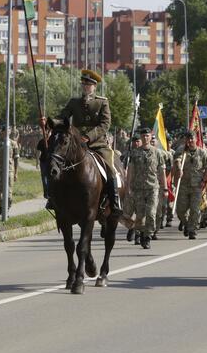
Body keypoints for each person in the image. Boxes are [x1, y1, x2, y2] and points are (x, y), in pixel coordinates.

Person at [44, 69, 122, 218]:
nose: (85, 87)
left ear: (94, 86)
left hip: (97, 144)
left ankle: (114, 201)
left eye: (89, 84)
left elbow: (105, 124)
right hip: (76, 146)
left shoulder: (102, 102)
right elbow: (62, 117)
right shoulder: (74, 102)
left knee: (110, 169)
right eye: (84, 84)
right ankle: (54, 199)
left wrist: (88, 136)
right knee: (57, 164)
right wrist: (49, 122)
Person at [127, 127, 167, 249]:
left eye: (147, 136)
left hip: (153, 188)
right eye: (143, 136)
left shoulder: (157, 152)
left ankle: (148, 236)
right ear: (141, 137)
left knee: (151, 213)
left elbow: (162, 171)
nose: (145, 138)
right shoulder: (134, 153)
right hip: (138, 188)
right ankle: (140, 232)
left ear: (151, 137)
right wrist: (128, 186)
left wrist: (165, 188)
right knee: (140, 215)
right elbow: (131, 170)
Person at [173, 131, 207, 239]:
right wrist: (179, 168)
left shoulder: (202, 152)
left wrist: (204, 180)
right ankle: (186, 224)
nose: (190, 141)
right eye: (188, 139)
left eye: (192, 139)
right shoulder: (181, 150)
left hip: (197, 186)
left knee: (195, 209)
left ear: (196, 139)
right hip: (184, 185)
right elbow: (177, 160)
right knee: (180, 210)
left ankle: (192, 230)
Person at [0, 124, 19, 215]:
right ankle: (1, 205)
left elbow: (16, 159)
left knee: (9, 193)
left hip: (9, 171)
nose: (6, 132)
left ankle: (6, 209)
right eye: (5, 131)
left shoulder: (14, 144)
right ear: (1, 132)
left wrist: (16, 173)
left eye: (8, 131)